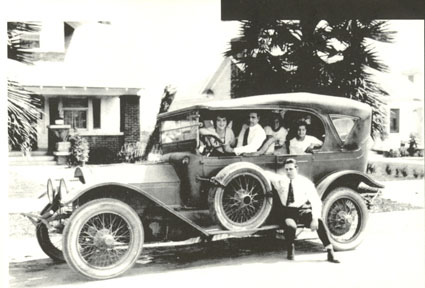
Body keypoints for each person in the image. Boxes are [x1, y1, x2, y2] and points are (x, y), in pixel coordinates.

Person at [265, 158, 340, 263]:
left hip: (301, 210)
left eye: (291, 169)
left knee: (319, 222)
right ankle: (290, 249)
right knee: (290, 226)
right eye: (286, 169)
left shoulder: (305, 182)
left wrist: (314, 219)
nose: (288, 172)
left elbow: (316, 201)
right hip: (288, 211)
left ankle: (330, 251)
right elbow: (265, 173)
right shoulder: (281, 180)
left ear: (297, 168)